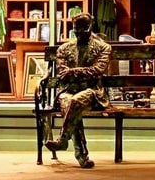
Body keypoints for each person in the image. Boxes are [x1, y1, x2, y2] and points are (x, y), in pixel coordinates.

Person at [45, 12, 111, 169]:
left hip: (92, 91)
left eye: (83, 29)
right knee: (71, 104)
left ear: (90, 27)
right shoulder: (64, 49)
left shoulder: (103, 47)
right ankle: (81, 156)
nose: (79, 33)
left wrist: (73, 72)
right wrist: (79, 73)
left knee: (76, 102)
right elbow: (63, 74)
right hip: (68, 90)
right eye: (76, 29)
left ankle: (62, 140)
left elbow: (97, 70)